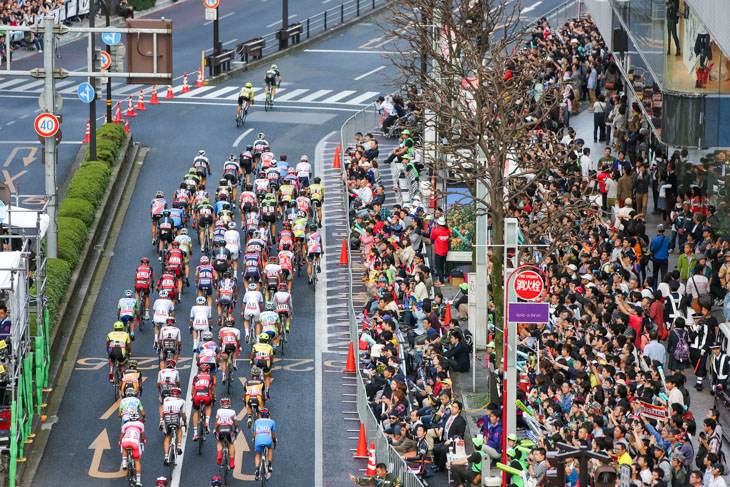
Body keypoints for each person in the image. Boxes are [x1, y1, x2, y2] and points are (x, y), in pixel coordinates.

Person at [161, 386, 186, 465]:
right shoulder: (182, 401)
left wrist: (161, 421)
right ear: (179, 395)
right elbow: (184, 415)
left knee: (167, 436)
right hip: (176, 418)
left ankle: (165, 457)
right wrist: (185, 423)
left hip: (167, 418)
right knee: (179, 428)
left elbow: (163, 411)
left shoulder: (166, 399)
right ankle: (179, 446)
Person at [119, 411, 145, 486]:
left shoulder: (126, 424)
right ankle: (138, 481)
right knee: (137, 461)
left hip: (126, 441)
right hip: (135, 442)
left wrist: (120, 441)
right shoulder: (141, 424)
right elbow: (143, 436)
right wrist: (143, 441)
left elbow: (121, 435)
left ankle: (124, 463)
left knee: (124, 446)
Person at [191, 363, 215, 442]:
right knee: (208, 406)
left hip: (197, 394)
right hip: (206, 394)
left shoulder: (196, 377)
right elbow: (213, 391)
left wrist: (193, 397)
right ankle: (207, 422)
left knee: (196, 411)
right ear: (208, 371)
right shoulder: (211, 377)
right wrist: (214, 398)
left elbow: (192, 391)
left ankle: (195, 433)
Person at [214, 397, 238, 470]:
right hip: (229, 429)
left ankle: (219, 456)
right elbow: (235, 424)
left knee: (220, 441)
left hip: (221, 428)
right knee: (231, 443)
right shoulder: (233, 412)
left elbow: (216, 423)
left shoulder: (219, 411)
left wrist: (215, 430)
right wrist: (236, 429)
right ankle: (231, 462)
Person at [253, 407, 277, 480]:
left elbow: (254, 434)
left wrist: (254, 440)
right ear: (268, 416)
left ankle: (257, 470)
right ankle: (269, 464)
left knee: (257, 454)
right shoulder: (272, 422)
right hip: (267, 440)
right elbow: (273, 435)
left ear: (260, 415)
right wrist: (274, 440)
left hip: (258, 440)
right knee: (270, 448)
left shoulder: (257, 421)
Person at [429, 216, 450, 286]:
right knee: (442, 265)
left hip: (438, 251)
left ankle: (441, 281)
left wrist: (433, 228)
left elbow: (431, 237)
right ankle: (441, 278)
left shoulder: (437, 231)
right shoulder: (447, 231)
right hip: (445, 251)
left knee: (438, 266)